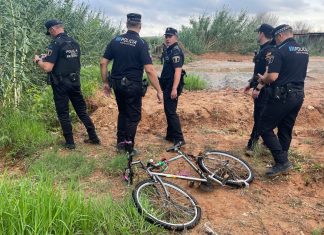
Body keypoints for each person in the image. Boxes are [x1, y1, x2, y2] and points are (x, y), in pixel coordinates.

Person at [100, 13, 163, 153]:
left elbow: (103, 62)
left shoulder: (115, 40)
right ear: (140, 26)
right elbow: (150, 70)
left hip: (116, 84)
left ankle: (120, 143)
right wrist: (159, 90)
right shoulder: (141, 44)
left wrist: (105, 83)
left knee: (122, 112)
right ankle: (128, 147)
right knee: (133, 116)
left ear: (127, 24)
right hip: (132, 86)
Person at [33, 19, 100, 149]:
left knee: (63, 112)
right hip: (75, 81)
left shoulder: (55, 44)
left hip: (60, 84)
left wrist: (38, 60)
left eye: (50, 32)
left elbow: (47, 67)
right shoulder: (74, 43)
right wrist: (46, 57)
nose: (50, 34)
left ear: (52, 29)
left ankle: (70, 143)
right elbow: (68, 61)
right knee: (81, 110)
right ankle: (93, 137)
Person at [255, 24, 309, 176]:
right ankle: (282, 159)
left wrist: (263, 79)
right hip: (299, 95)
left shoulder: (279, 51)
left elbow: (272, 76)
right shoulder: (303, 50)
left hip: (283, 95)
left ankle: (282, 161)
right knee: (285, 128)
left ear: (279, 36)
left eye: (275, 38)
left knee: (263, 126)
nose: (275, 41)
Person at [244, 23, 274, 152]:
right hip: (262, 87)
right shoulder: (264, 49)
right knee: (263, 116)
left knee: (259, 117)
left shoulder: (269, 50)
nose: (257, 35)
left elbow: (269, 71)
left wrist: (258, 88)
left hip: (265, 89)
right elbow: (258, 71)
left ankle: (252, 144)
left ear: (261, 33)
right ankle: (266, 143)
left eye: (258, 33)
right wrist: (251, 84)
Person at [159, 27, 185, 146]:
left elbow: (178, 71)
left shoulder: (176, 51)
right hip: (167, 84)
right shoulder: (169, 50)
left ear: (176, 37)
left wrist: (174, 88)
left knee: (171, 112)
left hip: (172, 85)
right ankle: (170, 136)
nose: (167, 38)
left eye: (170, 36)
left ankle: (179, 139)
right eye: (166, 36)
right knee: (168, 110)